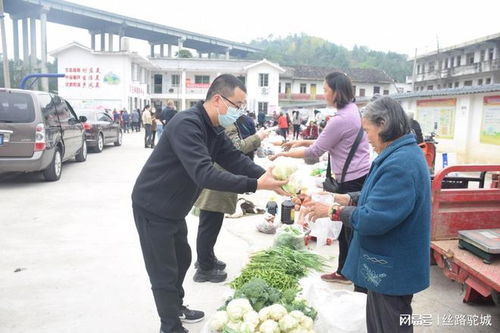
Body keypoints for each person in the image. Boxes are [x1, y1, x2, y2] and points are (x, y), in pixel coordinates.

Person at [131, 74, 287, 333]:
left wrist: (263, 175)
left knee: (182, 260)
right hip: (153, 206)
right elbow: (204, 173)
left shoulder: (213, 128)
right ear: (218, 99)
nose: (240, 110)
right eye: (237, 104)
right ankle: (169, 326)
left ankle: (176, 307)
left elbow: (233, 158)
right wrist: (254, 185)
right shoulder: (187, 124)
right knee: (164, 271)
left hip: (174, 208)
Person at [302, 97, 431, 333]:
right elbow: (381, 193)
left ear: (383, 124)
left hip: (392, 271)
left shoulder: (401, 163)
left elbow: (374, 218)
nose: (367, 138)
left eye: (367, 130)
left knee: (389, 325)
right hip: (389, 265)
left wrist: (333, 211)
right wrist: (348, 198)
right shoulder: (399, 154)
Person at [270, 72, 371, 289]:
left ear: (337, 92)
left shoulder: (341, 118)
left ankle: (350, 273)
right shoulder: (352, 111)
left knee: (349, 228)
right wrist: (300, 142)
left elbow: (315, 152)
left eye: (325, 90)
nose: (323, 94)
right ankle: (346, 270)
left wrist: (283, 155)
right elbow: (329, 140)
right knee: (349, 228)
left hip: (351, 181)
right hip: (360, 175)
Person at [193, 121, 269, 283]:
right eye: (237, 103)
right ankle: (204, 268)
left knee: (213, 222)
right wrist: (258, 137)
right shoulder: (223, 123)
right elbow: (237, 149)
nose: (237, 107)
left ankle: (207, 258)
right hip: (218, 180)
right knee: (209, 224)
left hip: (220, 179)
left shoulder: (225, 122)